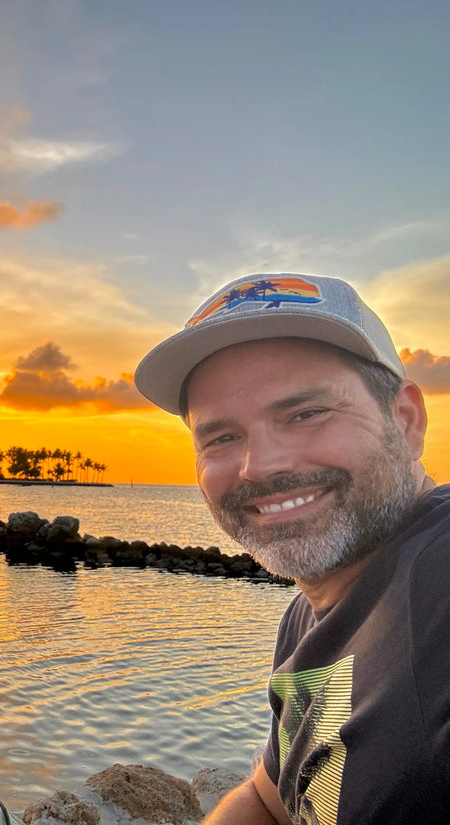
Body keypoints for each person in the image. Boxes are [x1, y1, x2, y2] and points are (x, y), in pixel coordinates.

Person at [134, 273, 449, 824]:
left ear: (405, 419)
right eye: (222, 437)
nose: (262, 465)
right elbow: (270, 802)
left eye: (305, 414)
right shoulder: (309, 617)